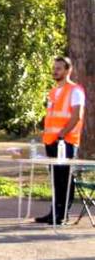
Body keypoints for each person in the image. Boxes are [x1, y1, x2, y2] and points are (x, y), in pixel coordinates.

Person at [35, 55, 86, 224]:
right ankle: (54, 212)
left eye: (59, 68)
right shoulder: (53, 91)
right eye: (54, 68)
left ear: (68, 70)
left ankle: (62, 214)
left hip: (67, 141)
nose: (55, 71)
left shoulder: (75, 90)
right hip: (51, 141)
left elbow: (76, 116)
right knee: (55, 179)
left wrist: (63, 134)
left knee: (65, 177)